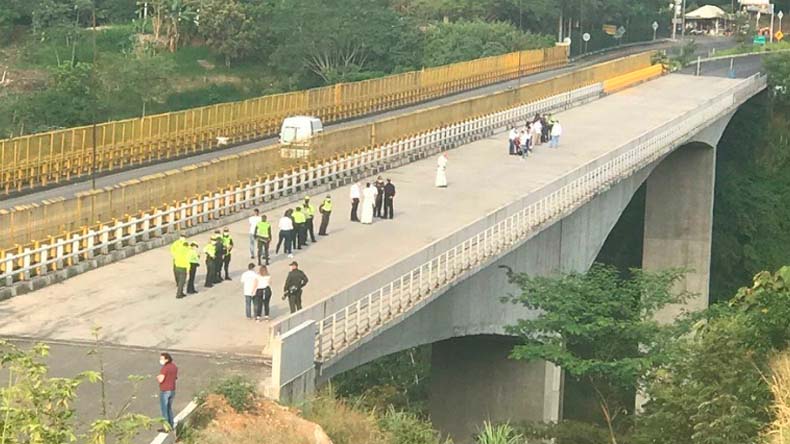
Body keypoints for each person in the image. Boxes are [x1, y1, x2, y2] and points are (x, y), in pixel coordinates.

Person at [157, 352, 178, 432]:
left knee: (164, 409)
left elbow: (161, 379)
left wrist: (158, 378)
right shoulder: (174, 367)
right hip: (172, 390)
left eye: (162, 359)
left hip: (165, 390)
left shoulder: (165, 368)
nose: (160, 360)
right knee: (169, 408)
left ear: (167, 359)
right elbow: (175, 377)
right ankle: (171, 425)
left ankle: (166, 427)